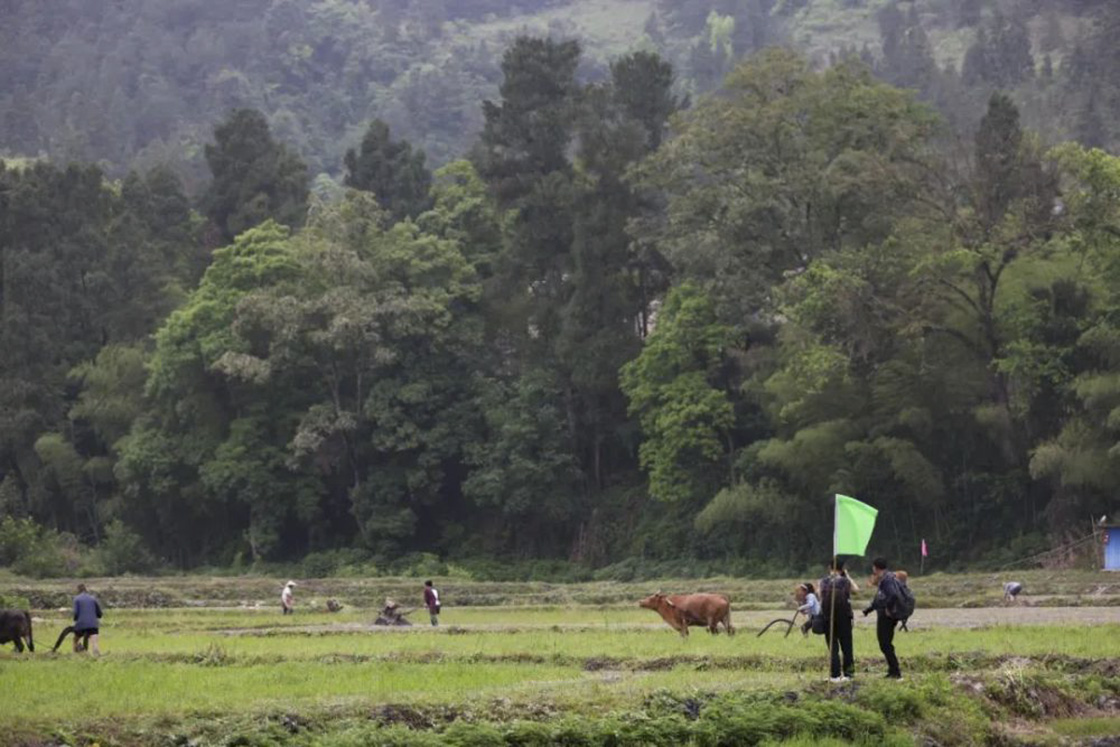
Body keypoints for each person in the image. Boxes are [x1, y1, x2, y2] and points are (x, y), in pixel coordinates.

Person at [863, 557, 904, 680]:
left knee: (885, 644)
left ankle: (895, 671)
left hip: (887, 616)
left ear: (875, 567)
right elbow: (879, 598)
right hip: (885, 615)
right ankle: (892, 671)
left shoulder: (887, 580)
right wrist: (869, 610)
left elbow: (892, 595)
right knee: (886, 643)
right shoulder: (887, 578)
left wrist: (888, 608)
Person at [819, 559, 856, 682]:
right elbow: (856, 590)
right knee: (847, 647)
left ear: (829, 567)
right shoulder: (845, 581)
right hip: (844, 617)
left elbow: (820, 596)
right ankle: (849, 675)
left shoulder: (824, 581)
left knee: (833, 647)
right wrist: (847, 575)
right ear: (843, 568)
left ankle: (834, 675)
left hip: (828, 617)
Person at [72, 583, 102, 656]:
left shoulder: (77, 599)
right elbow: (99, 613)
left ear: (78, 590)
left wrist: (76, 620)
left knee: (75, 640)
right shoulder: (93, 598)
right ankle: (97, 656)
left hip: (81, 624)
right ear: (86, 590)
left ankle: (76, 654)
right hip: (93, 624)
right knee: (94, 642)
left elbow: (76, 613)